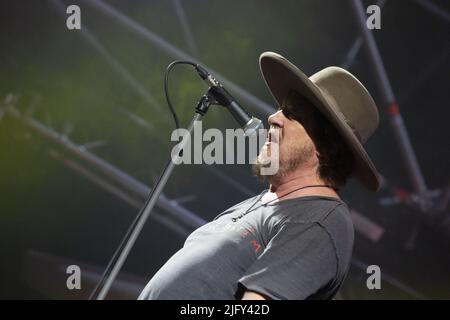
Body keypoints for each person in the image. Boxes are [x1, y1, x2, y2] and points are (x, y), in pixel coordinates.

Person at [138, 52, 381, 300]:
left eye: (292, 114)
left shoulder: (321, 221)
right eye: (280, 109)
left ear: (325, 145)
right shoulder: (264, 202)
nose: (273, 117)